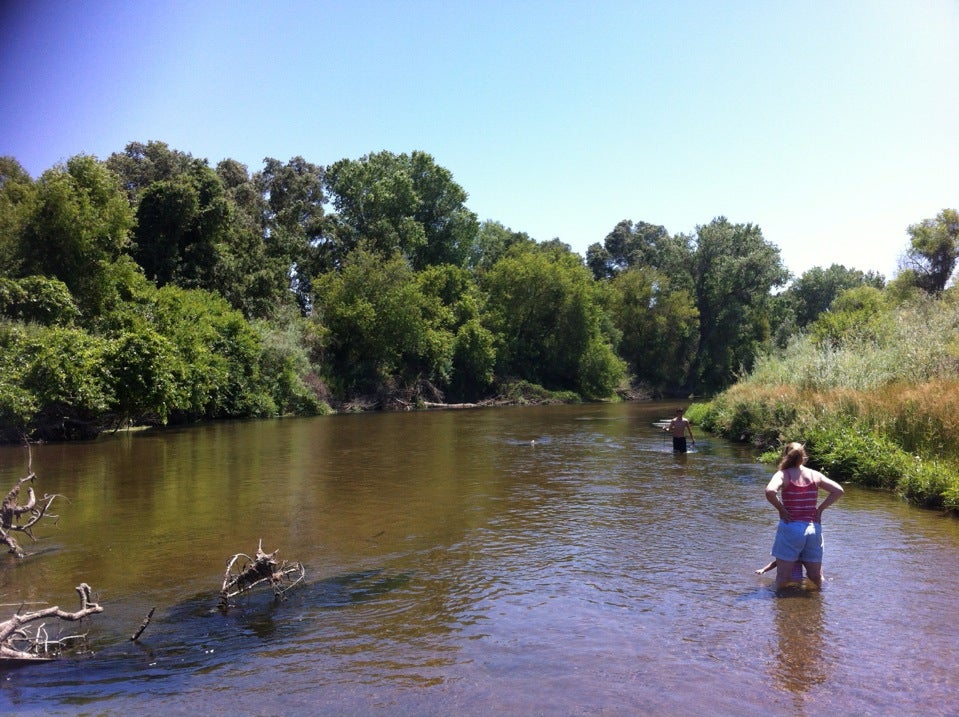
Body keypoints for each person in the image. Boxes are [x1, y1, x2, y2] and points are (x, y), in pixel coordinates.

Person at [764, 442, 844, 590]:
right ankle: (817, 603)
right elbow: (838, 490)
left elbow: (770, 491)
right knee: (816, 576)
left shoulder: (783, 474)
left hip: (791, 528)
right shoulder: (814, 474)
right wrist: (820, 509)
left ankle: (781, 608)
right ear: (803, 456)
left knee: (783, 577)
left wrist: (781, 509)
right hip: (813, 529)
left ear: (785, 455)